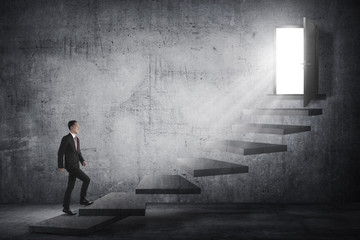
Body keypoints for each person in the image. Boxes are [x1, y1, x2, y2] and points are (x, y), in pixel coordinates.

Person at [58, 120, 93, 215]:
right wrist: (61, 166)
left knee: (70, 187)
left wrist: (82, 160)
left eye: (78, 126)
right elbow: (60, 153)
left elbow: (78, 152)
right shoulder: (66, 138)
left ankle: (66, 208)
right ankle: (82, 199)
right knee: (87, 179)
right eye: (77, 126)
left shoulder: (77, 139)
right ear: (71, 127)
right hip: (71, 166)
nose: (79, 128)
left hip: (76, 165)